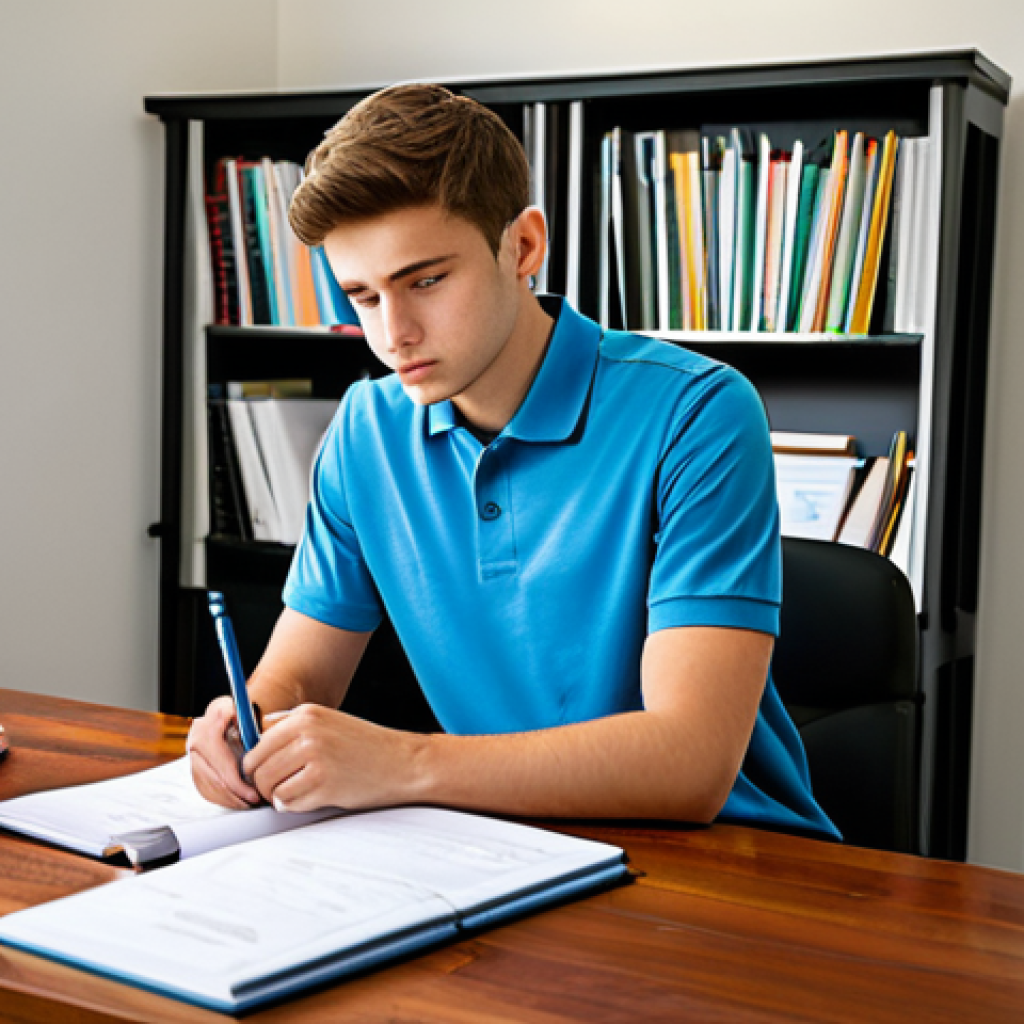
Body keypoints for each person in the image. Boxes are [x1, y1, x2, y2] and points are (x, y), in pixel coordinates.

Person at [187, 83, 838, 840]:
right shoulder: (365, 432)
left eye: (425, 280)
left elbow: (689, 763)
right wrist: (252, 721)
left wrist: (405, 764)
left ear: (523, 246)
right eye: (362, 296)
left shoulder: (699, 412)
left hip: (733, 864)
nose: (393, 333)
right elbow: (299, 676)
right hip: (511, 846)